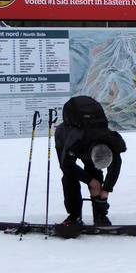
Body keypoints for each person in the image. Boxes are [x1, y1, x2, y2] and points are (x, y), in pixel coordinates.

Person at [54, 95, 127, 226]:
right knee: (69, 177)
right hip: (66, 140)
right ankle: (74, 215)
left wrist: (106, 189)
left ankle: (100, 215)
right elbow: (67, 166)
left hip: (90, 139)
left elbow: (115, 167)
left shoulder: (113, 143)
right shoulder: (75, 143)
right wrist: (90, 181)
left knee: (95, 174)